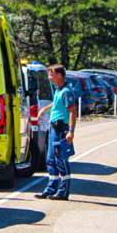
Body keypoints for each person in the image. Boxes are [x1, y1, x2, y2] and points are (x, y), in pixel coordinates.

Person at [35, 64, 77, 201]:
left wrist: (71, 131)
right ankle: (50, 189)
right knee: (50, 159)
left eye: (51, 74)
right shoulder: (59, 90)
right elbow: (56, 103)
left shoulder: (66, 91)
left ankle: (63, 192)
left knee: (61, 160)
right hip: (53, 129)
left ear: (59, 75)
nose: (49, 77)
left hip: (61, 129)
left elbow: (72, 111)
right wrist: (44, 109)